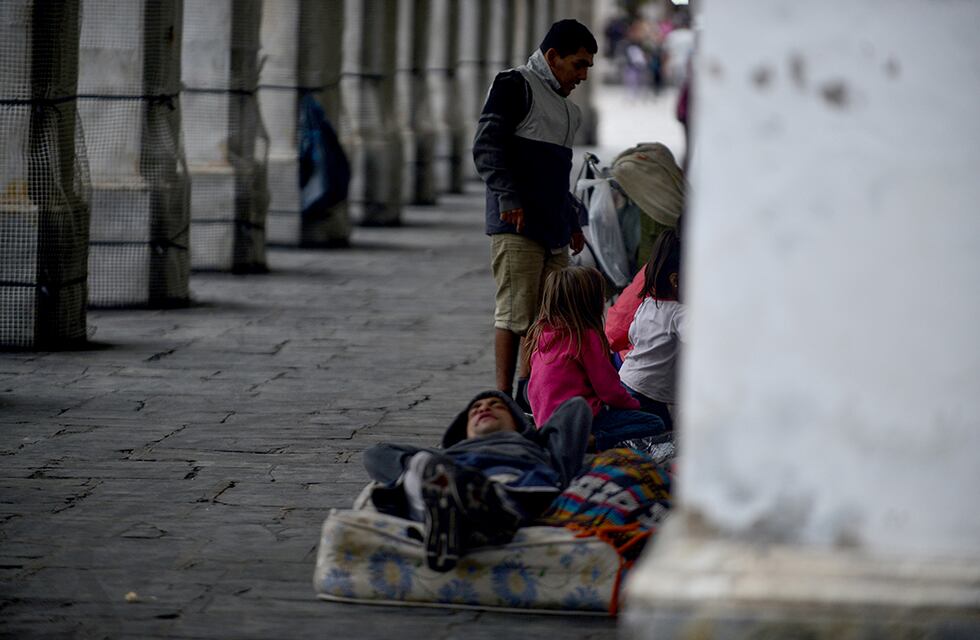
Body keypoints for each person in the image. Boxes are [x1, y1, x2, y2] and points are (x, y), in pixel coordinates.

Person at [472, 19, 598, 407]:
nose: (582, 75)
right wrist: (508, 199)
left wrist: (573, 219)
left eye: (588, 68)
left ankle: (529, 393)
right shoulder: (514, 85)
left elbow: (557, 176)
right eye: (578, 64)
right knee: (516, 311)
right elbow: (486, 147)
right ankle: (502, 394)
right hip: (516, 225)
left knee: (549, 316)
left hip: (552, 227)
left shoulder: (568, 111)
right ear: (552, 57)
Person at [362, 390, 591, 572]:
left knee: (480, 488)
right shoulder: (446, 455)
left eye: (496, 406)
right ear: (464, 430)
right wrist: (431, 461)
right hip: (448, 479)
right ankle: (452, 515)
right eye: (475, 409)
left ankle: (476, 513)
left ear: (518, 423)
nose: (484, 408)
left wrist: (536, 436)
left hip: (509, 486)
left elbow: (576, 407)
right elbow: (378, 453)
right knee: (420, 466)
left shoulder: (539, 450)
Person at [524, 266, 666, 450]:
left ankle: (562, 438)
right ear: (589, 302)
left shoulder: (542, 334)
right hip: (580, 421)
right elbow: (608, 390)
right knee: (654, 423)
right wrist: (633, 405)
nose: (604, 300)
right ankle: (592, 440)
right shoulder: (585, 337)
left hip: (546, 421)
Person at [618, 229, 686, 432]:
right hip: (646, 395)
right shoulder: (680, 314)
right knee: (663, 437)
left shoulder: (648, 303)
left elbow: (632, 334)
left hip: (626, 381)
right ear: (676, 280)